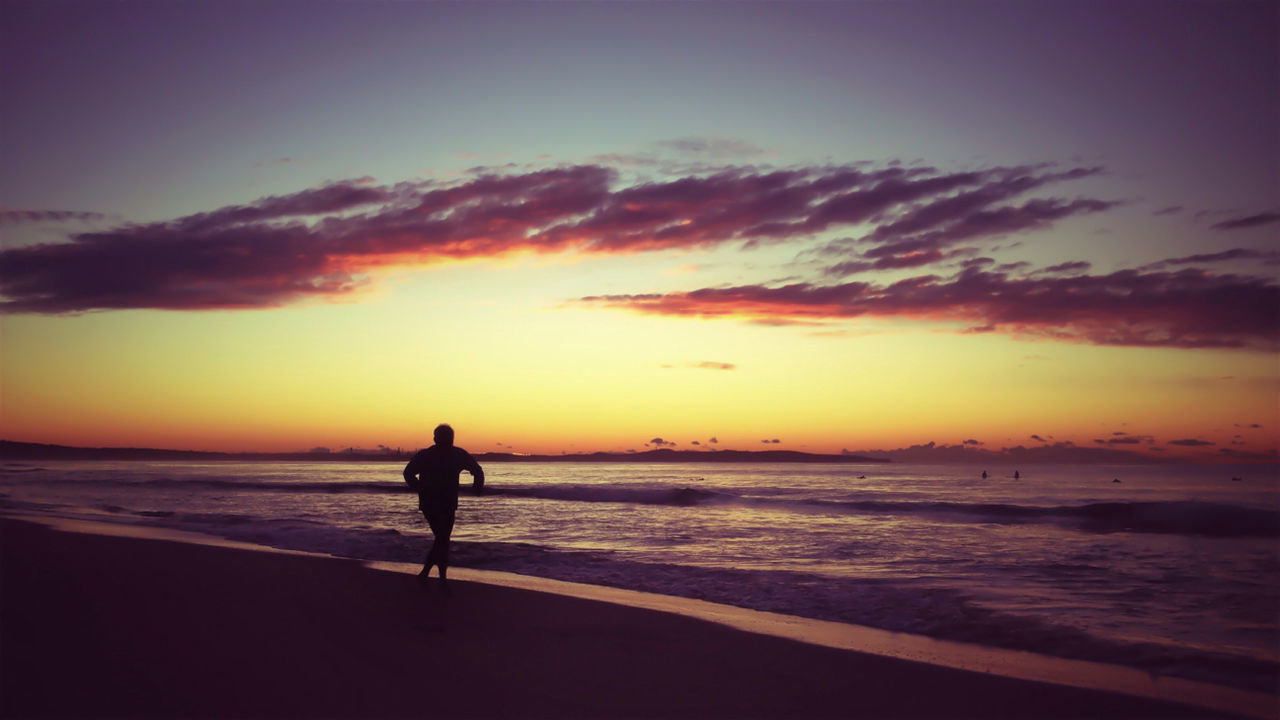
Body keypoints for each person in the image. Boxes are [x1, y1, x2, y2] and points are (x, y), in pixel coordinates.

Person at [403, 424, 484, 592]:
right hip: (433, 503)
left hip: (444, 503)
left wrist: (477, 487)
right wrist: (477, 488)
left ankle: (427, 575)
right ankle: (440, 580)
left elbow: (477, 470)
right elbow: (408, 473)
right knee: (443, 539)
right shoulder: (439, 455)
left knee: (443, 540)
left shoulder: (447, 454)